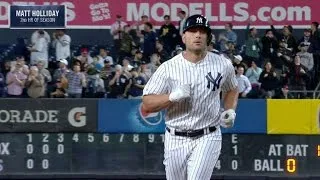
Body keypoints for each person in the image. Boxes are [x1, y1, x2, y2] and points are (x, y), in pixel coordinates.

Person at [141, 14, 238, 180]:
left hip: (208, 135)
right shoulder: (168, 67)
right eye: (193, 31)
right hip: (175, 137)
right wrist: (171, 97)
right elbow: (147, 103)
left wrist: (230, 110)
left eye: (202, 31)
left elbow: (232, 88)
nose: (198, 35)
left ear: (208, 37)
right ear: (184, 36)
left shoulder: (223, 64)